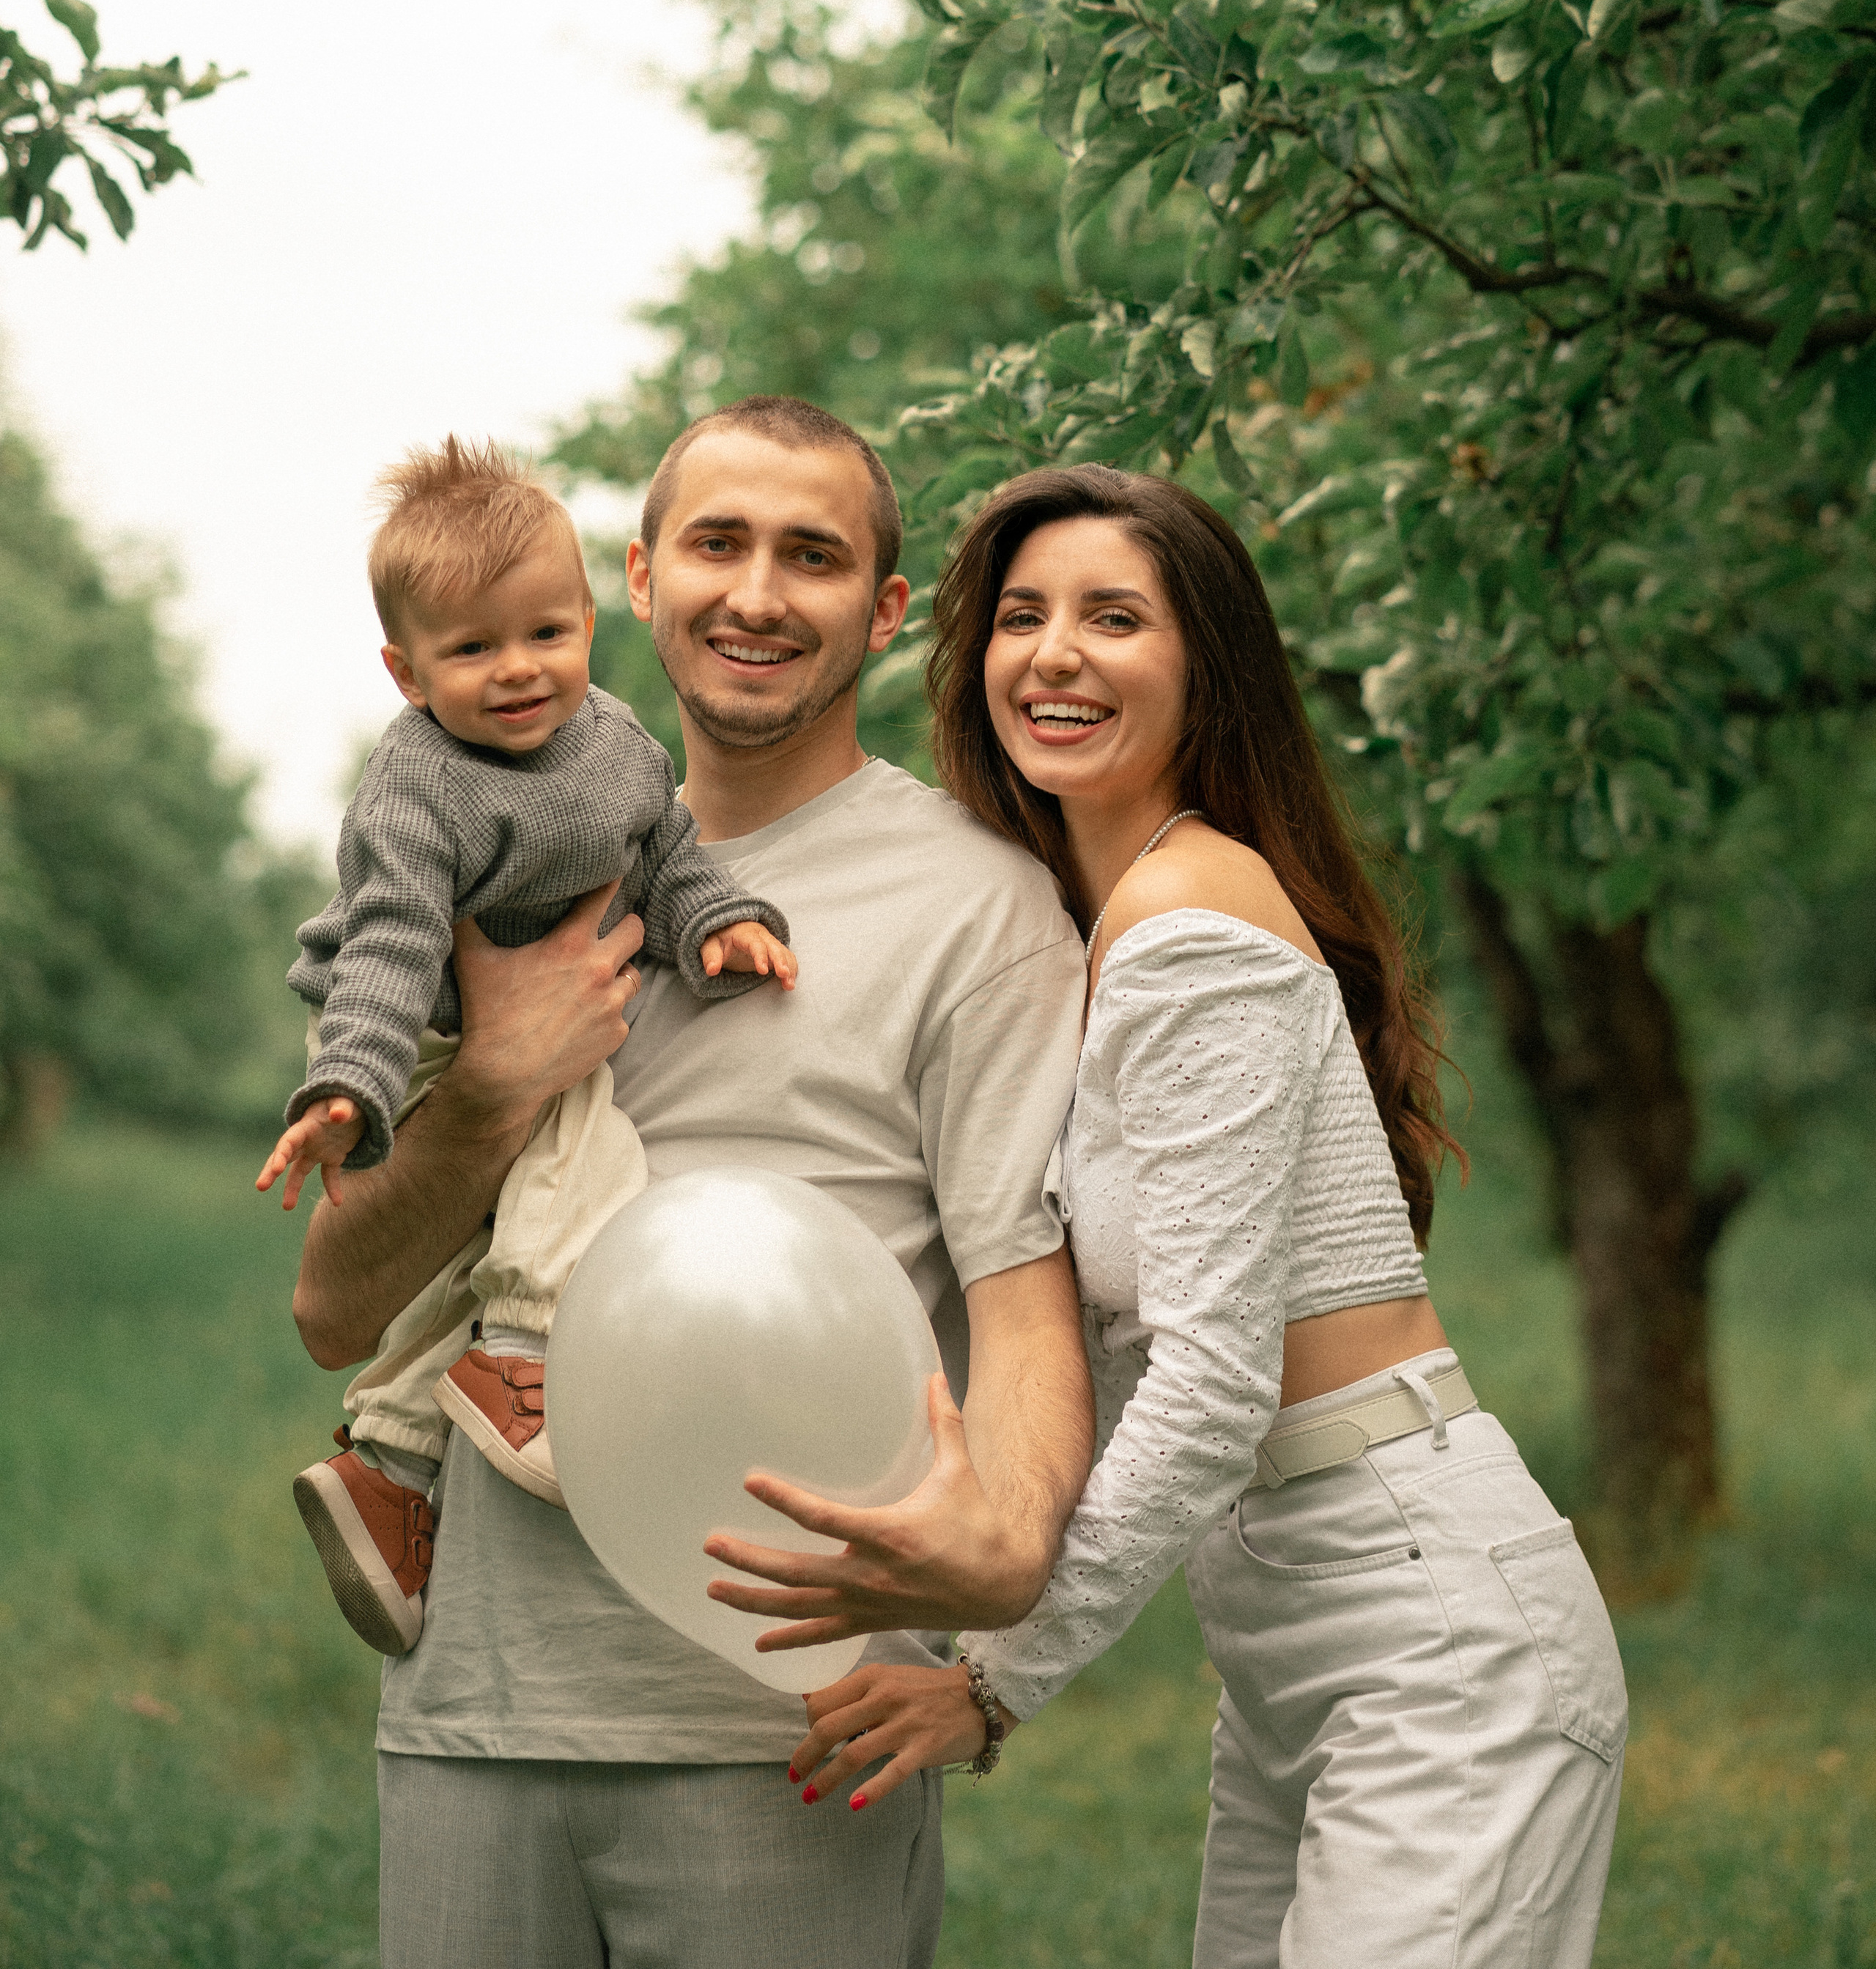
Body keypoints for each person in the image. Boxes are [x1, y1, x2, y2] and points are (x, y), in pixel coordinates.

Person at [705, 463, 1630, 1969]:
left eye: (1112, 617)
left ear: (1205, 666)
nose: (1053, 654)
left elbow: (1208, 1383)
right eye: (1019, 616)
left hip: (1430, 1633)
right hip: (1285, 1632)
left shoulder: (1189, 923)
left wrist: (993, 1680)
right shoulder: (1079, 924)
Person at [289, 396, 1094, 1969]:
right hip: (477, 1710)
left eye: (812, 556)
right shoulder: (476, 878)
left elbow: (1024, 1316)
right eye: (717, 543)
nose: (755, 592)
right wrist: (500, 1083)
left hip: (790, 1726)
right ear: (640, 580)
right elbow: (332, 1313)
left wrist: (1002, 1615)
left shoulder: (981, 911)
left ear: (881, 611)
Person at [260, 437, 794, 1654]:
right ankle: (519, 1361)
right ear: (405, 672)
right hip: (416, 1031)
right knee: (589, 1157)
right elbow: (392, 940)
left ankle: (390, 1461)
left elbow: (664, 853)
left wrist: (721, 925)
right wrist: (350, 1084)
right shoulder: (415, 790)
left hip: (522, 1013)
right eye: (471, 650)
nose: (518, 672)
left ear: (591, 620)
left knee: (497, 1226)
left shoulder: (618, 745)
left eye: (546, 635)